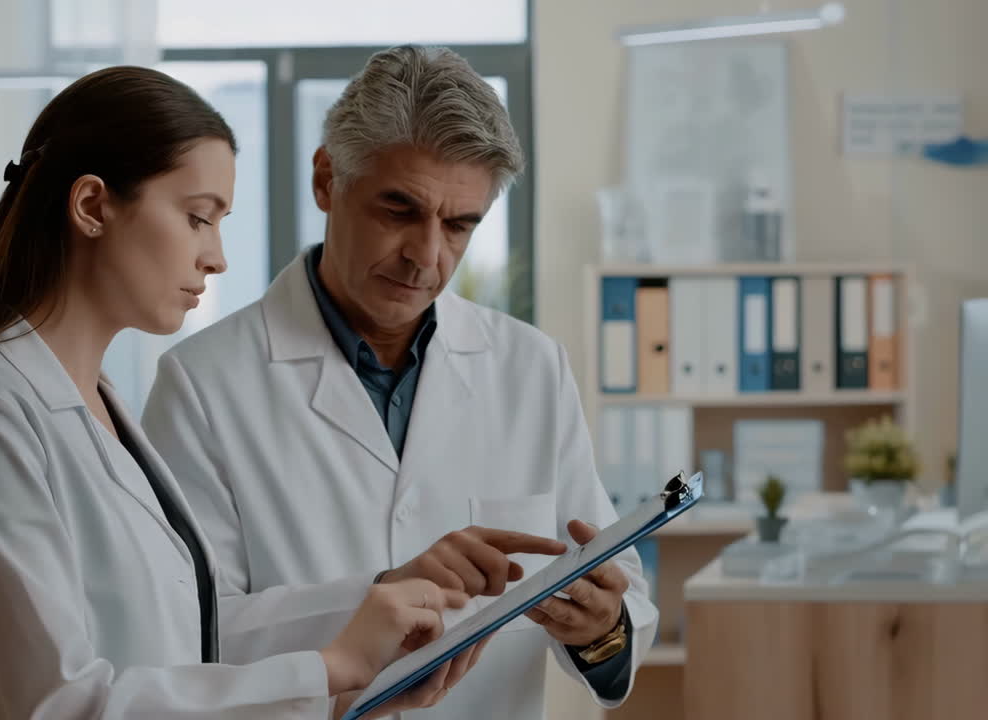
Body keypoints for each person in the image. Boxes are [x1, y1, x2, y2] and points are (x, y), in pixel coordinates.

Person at [0, 65, 492, 720]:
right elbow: (57, 706)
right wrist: (330, 668)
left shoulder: (100, 409)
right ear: (90, 207)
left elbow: (184, 643)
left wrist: (349, 684)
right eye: (198, 218)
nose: (216, 256)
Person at [142, 46, 660, 719]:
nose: (427, 256)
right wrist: (379, 592)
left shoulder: (531, 369)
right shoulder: (202, 384)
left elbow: (623, 599)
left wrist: (602, 627)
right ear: (327, 179)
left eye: (459, 225)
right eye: (399, 210)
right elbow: (184, 633)